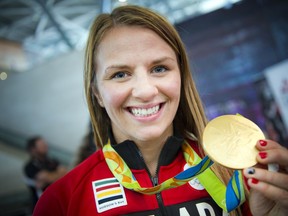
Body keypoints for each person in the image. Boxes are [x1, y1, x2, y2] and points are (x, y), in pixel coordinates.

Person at [33, 5, 288, 216]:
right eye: (120, 74)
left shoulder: (239, 178)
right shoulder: (61, 201)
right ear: (97, 93)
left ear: (181, 77)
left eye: (159, 68)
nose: (145, 91)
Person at [23, 136, 68, 211]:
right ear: (33, 149)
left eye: (44, 144)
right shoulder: (30, 166)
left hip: (58, 203)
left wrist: (49, 177)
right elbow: (47, 178)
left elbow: (66, 174)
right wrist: (57, 175)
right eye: (41, 145)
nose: (45, 146)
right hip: (42, 207)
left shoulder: (53, 161)